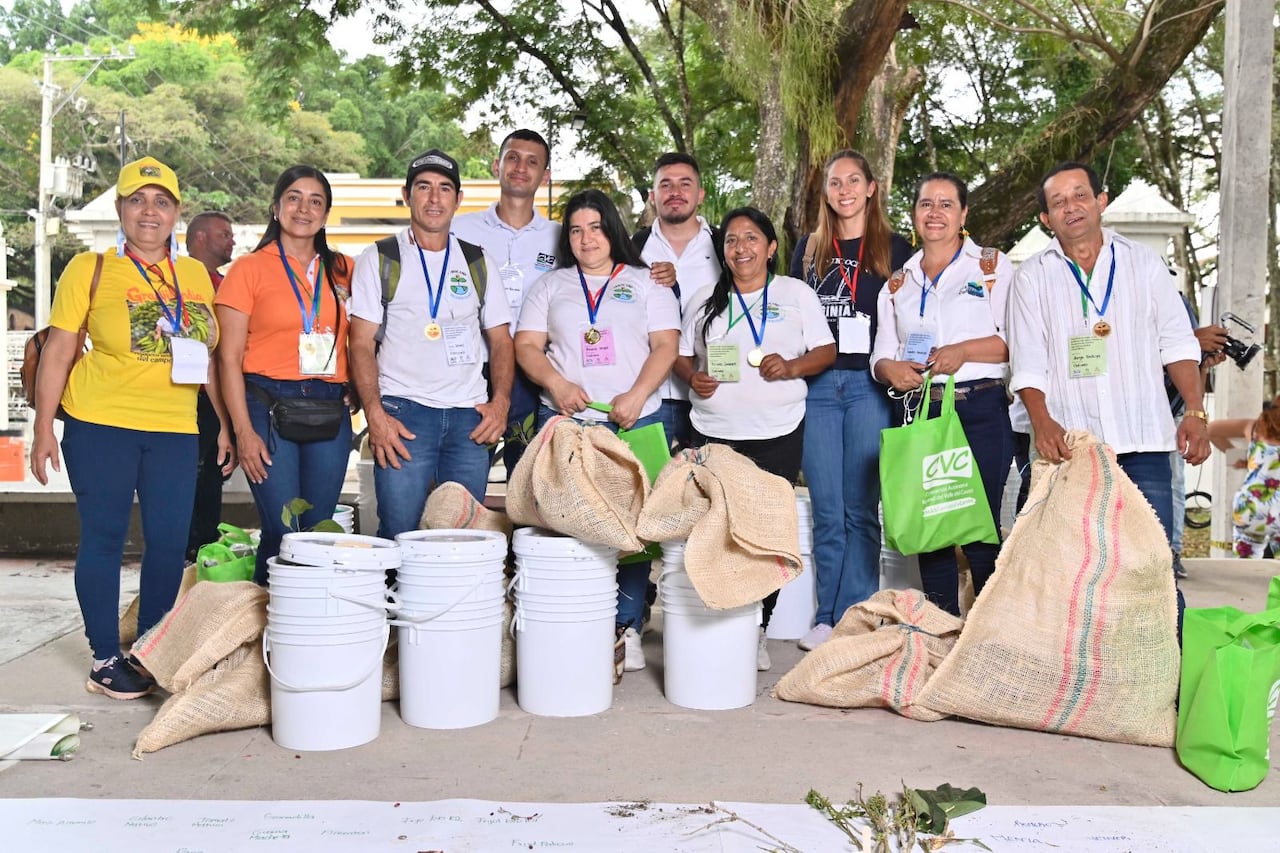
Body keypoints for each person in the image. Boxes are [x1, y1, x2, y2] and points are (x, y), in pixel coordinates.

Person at [30, 157, 233, 699]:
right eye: (137, 200)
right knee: (104, 538)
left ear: (176, 213)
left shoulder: (193, 276)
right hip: (101, 425)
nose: (149, 211)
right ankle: (103, 657)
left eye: (161, 201)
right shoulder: (89, 268)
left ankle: (149, 649)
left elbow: (206, 357)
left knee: (169, 543)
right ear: (120, 209)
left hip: (174, 428)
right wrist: (43, 427)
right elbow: (58, 352)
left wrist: (225, 427)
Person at [1007, 161, 1209, 563]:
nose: (1072, 206)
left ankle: (1162, 631)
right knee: (1075, 571)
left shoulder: (1144, 264)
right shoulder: (1031, 277)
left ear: (1101, 201)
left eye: (1081, 195)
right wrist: (1042, 422)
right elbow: (1028, 359)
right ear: (1046, 218)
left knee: (1152, 568)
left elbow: (1178, 344)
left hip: (1144, 445)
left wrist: (1196, 412)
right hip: (1073, 448)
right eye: (1058, 201)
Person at [514, 188, 680, 674]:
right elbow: (526, 346)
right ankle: (572, 618)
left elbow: (666, 346)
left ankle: (622, 625)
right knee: (565, 524)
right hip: (566, 422)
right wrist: (556, 383)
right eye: (576, 230)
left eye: (595, 227)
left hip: (633, 419)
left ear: (613, 229)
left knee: (631, 529)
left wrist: (635, 394)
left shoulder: (646, 283)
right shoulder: (551, 285)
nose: (586, 238)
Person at [674, 206, 835, 670]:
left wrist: (792, 366)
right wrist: (693, 377)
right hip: (713, 431)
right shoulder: (706, 297)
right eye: (731, 241)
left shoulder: (794, 293)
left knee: (764, 535)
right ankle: (716, 622)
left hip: (777, 431)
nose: (740, 248)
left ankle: (758, 628)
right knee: (714, 531)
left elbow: (826, 350)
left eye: (750, 239)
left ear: (770, 247)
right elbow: (683, 355)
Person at [349, 150, 514, 539]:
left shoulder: (478, 261)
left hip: (468, 418)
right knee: (399, 531)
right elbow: (359, 344)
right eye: (424, 187)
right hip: (403, 415)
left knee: (462, 534)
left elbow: (502, 341)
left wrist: (500, 405)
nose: (434, 198)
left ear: (458, 199)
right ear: (407, 195)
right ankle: (397, 601)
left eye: (444, 189)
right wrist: (374, 413)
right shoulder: (380, 258)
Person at [871, 173, 1014, 616]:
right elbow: (880, 356)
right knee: (929, 526)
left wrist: (965, 351)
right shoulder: (898, 282)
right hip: (923, 415)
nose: (935, 213)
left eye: (946, 204)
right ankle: (940, 630)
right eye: (926, 204)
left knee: (978, 526)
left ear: (964, 214)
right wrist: (889, 369)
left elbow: (1018, 342)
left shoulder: (990, 267)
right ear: (914, 213)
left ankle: (988, 635)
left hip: (980, 409)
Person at [790, 150, 912, 651]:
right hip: (818, 387)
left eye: (852, 180)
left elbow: (912, 317)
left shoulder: (896, 249)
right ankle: (825, 616)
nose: (843, 190)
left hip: (868, 385)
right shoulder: (808, 248)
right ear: (826, 194)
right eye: (834, 182)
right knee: (827, 507)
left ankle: (857, 616)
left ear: (871, 188)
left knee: (861, 508)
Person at [215, 166, 354, 583]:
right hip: (266, 407)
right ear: (276, 208)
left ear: (326, 214)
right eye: (294, 197)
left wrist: (364, 391)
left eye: (316, 201)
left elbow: (367, 338)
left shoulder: (345, 269)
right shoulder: (248, 269)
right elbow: (227, 357)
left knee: (318, 532)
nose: (304, 208)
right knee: (283, 530)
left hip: (329, 407)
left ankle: (305, 633)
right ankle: (265, 633)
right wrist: (243, 431)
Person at [452, 129, 559, 476]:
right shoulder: (458, 230)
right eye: (512, 158)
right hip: (470, 368)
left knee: (529, 482)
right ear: (497, 165)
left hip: (533, 373)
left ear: (545, 176)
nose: (520, 168)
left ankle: (521, 533)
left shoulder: (562, 238)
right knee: (463, 478)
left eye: (532, 162)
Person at [634, 153, 722, 451]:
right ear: (652, 196)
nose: (675, 192)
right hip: (649, 394)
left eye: (685, 184)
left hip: (713, 392)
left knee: (705, 485)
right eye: (666, 185)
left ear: (700, 194)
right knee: (645, 484)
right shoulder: (633, 249)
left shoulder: (725, 246)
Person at [184, 211, 236, 558]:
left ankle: (204, 550)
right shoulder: (178, 279)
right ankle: (190, 550)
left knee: (212, 477)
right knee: (193, 478)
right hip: (188, 396)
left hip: (220, 395)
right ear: (200, 237)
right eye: (224, 234)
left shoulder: (228, 283)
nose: (232, 240)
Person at [1230, 401, 1280, 559]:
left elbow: (1212, 430)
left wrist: (1240, 458)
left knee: (1245, 564)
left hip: (1250, 508)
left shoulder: (1254, 430)